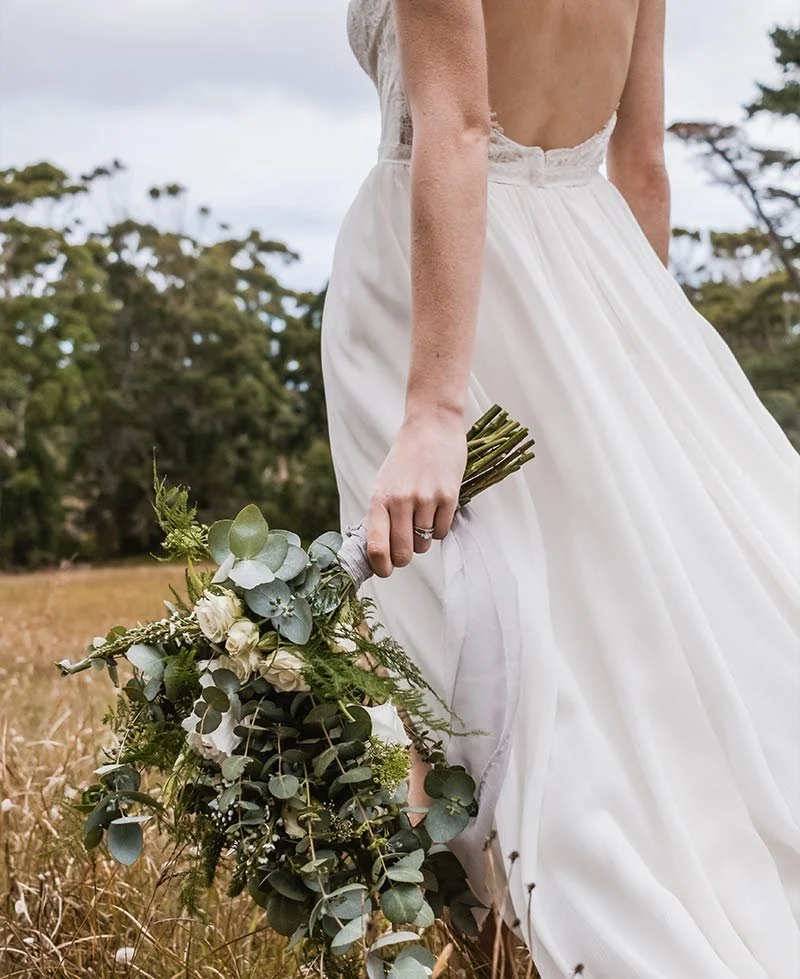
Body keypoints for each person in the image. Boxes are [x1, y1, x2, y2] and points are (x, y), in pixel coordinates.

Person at [320, 1, 800, 976]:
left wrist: (432, 411)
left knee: (449, 636)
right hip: (602, 279)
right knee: (614, 619)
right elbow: (641, 168)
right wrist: (629, 362)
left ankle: (521, 910)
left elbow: (453, 125)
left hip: (433, 292)